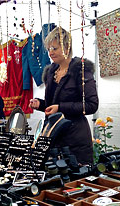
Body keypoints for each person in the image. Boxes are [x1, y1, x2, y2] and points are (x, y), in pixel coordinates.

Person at [29, 26, 99, 165]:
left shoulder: (81, 70)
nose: (50, 53)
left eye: (54, 48)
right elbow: (52, 105)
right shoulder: (50, 72)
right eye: (49, 49)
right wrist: (40, 104)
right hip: (54, 137)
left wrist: (61, 108)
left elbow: (92, 105)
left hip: (75, 140)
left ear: (66, 48)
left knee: (76, 183)